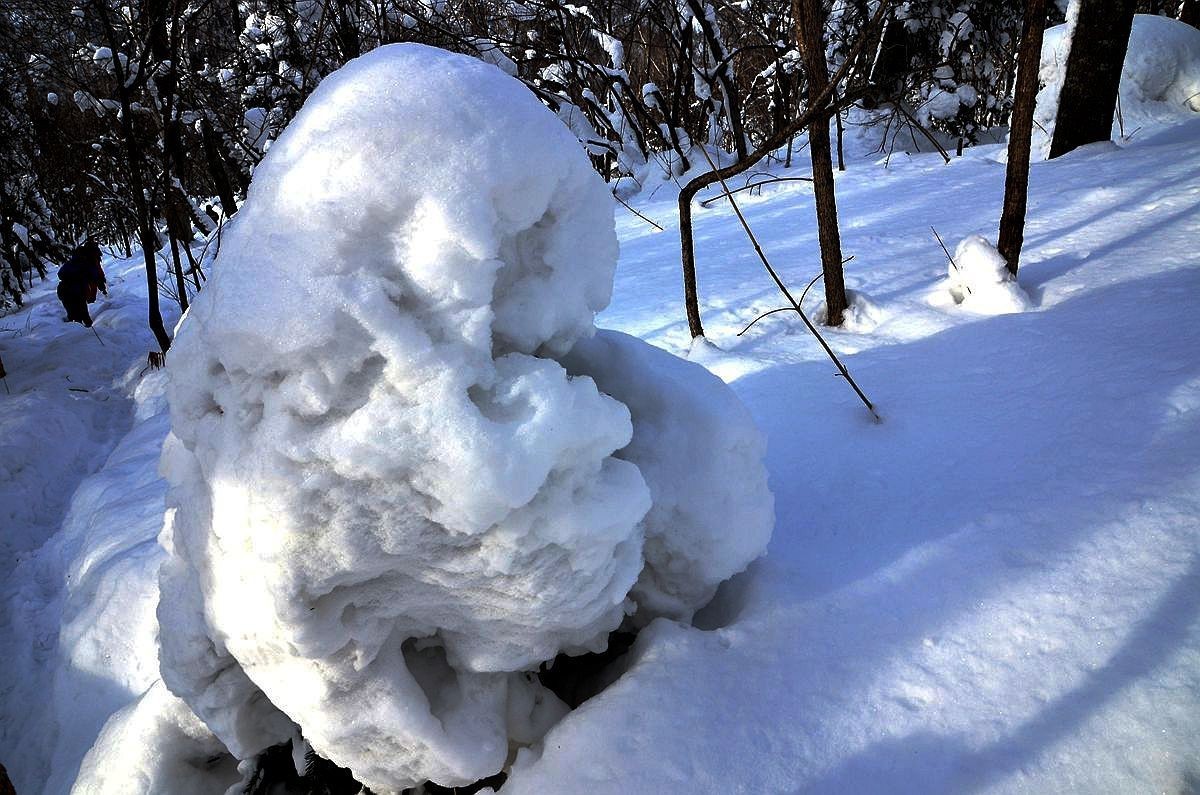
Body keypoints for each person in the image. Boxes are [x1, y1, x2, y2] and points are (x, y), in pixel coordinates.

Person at [58, 239, 107, 327]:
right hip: (77, 292)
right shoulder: (86, 265)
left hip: (63, 291)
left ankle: (78, 332)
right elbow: (95, 277)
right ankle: (87, 334)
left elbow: (60, 274)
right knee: (83, 315)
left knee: (73, 315)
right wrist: (102, 287)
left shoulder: (69, 264)